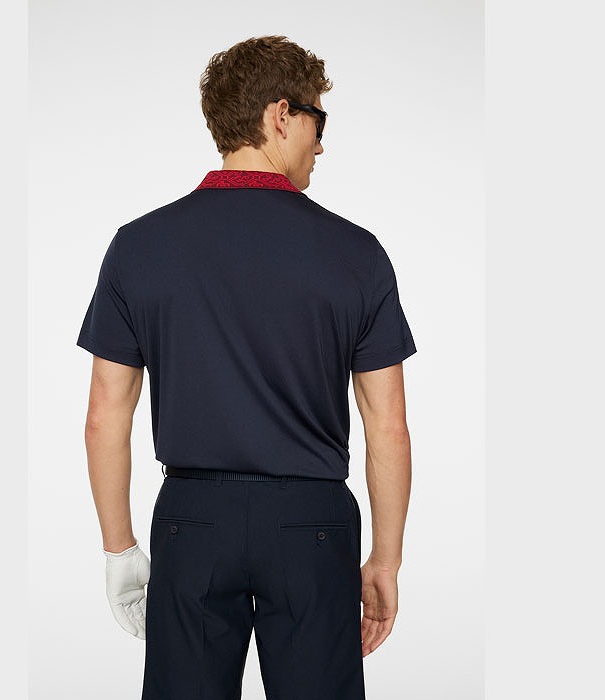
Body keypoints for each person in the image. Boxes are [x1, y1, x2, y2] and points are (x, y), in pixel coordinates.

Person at [77, 34, 417, 700]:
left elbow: (103, 415)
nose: (321, 144)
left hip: (192, 520)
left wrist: (120, 550)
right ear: (281, 115)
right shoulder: (357, 253)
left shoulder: (139, 246)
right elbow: (389, 427)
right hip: (313, 525)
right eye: (318, 121)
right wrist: (385, 558)